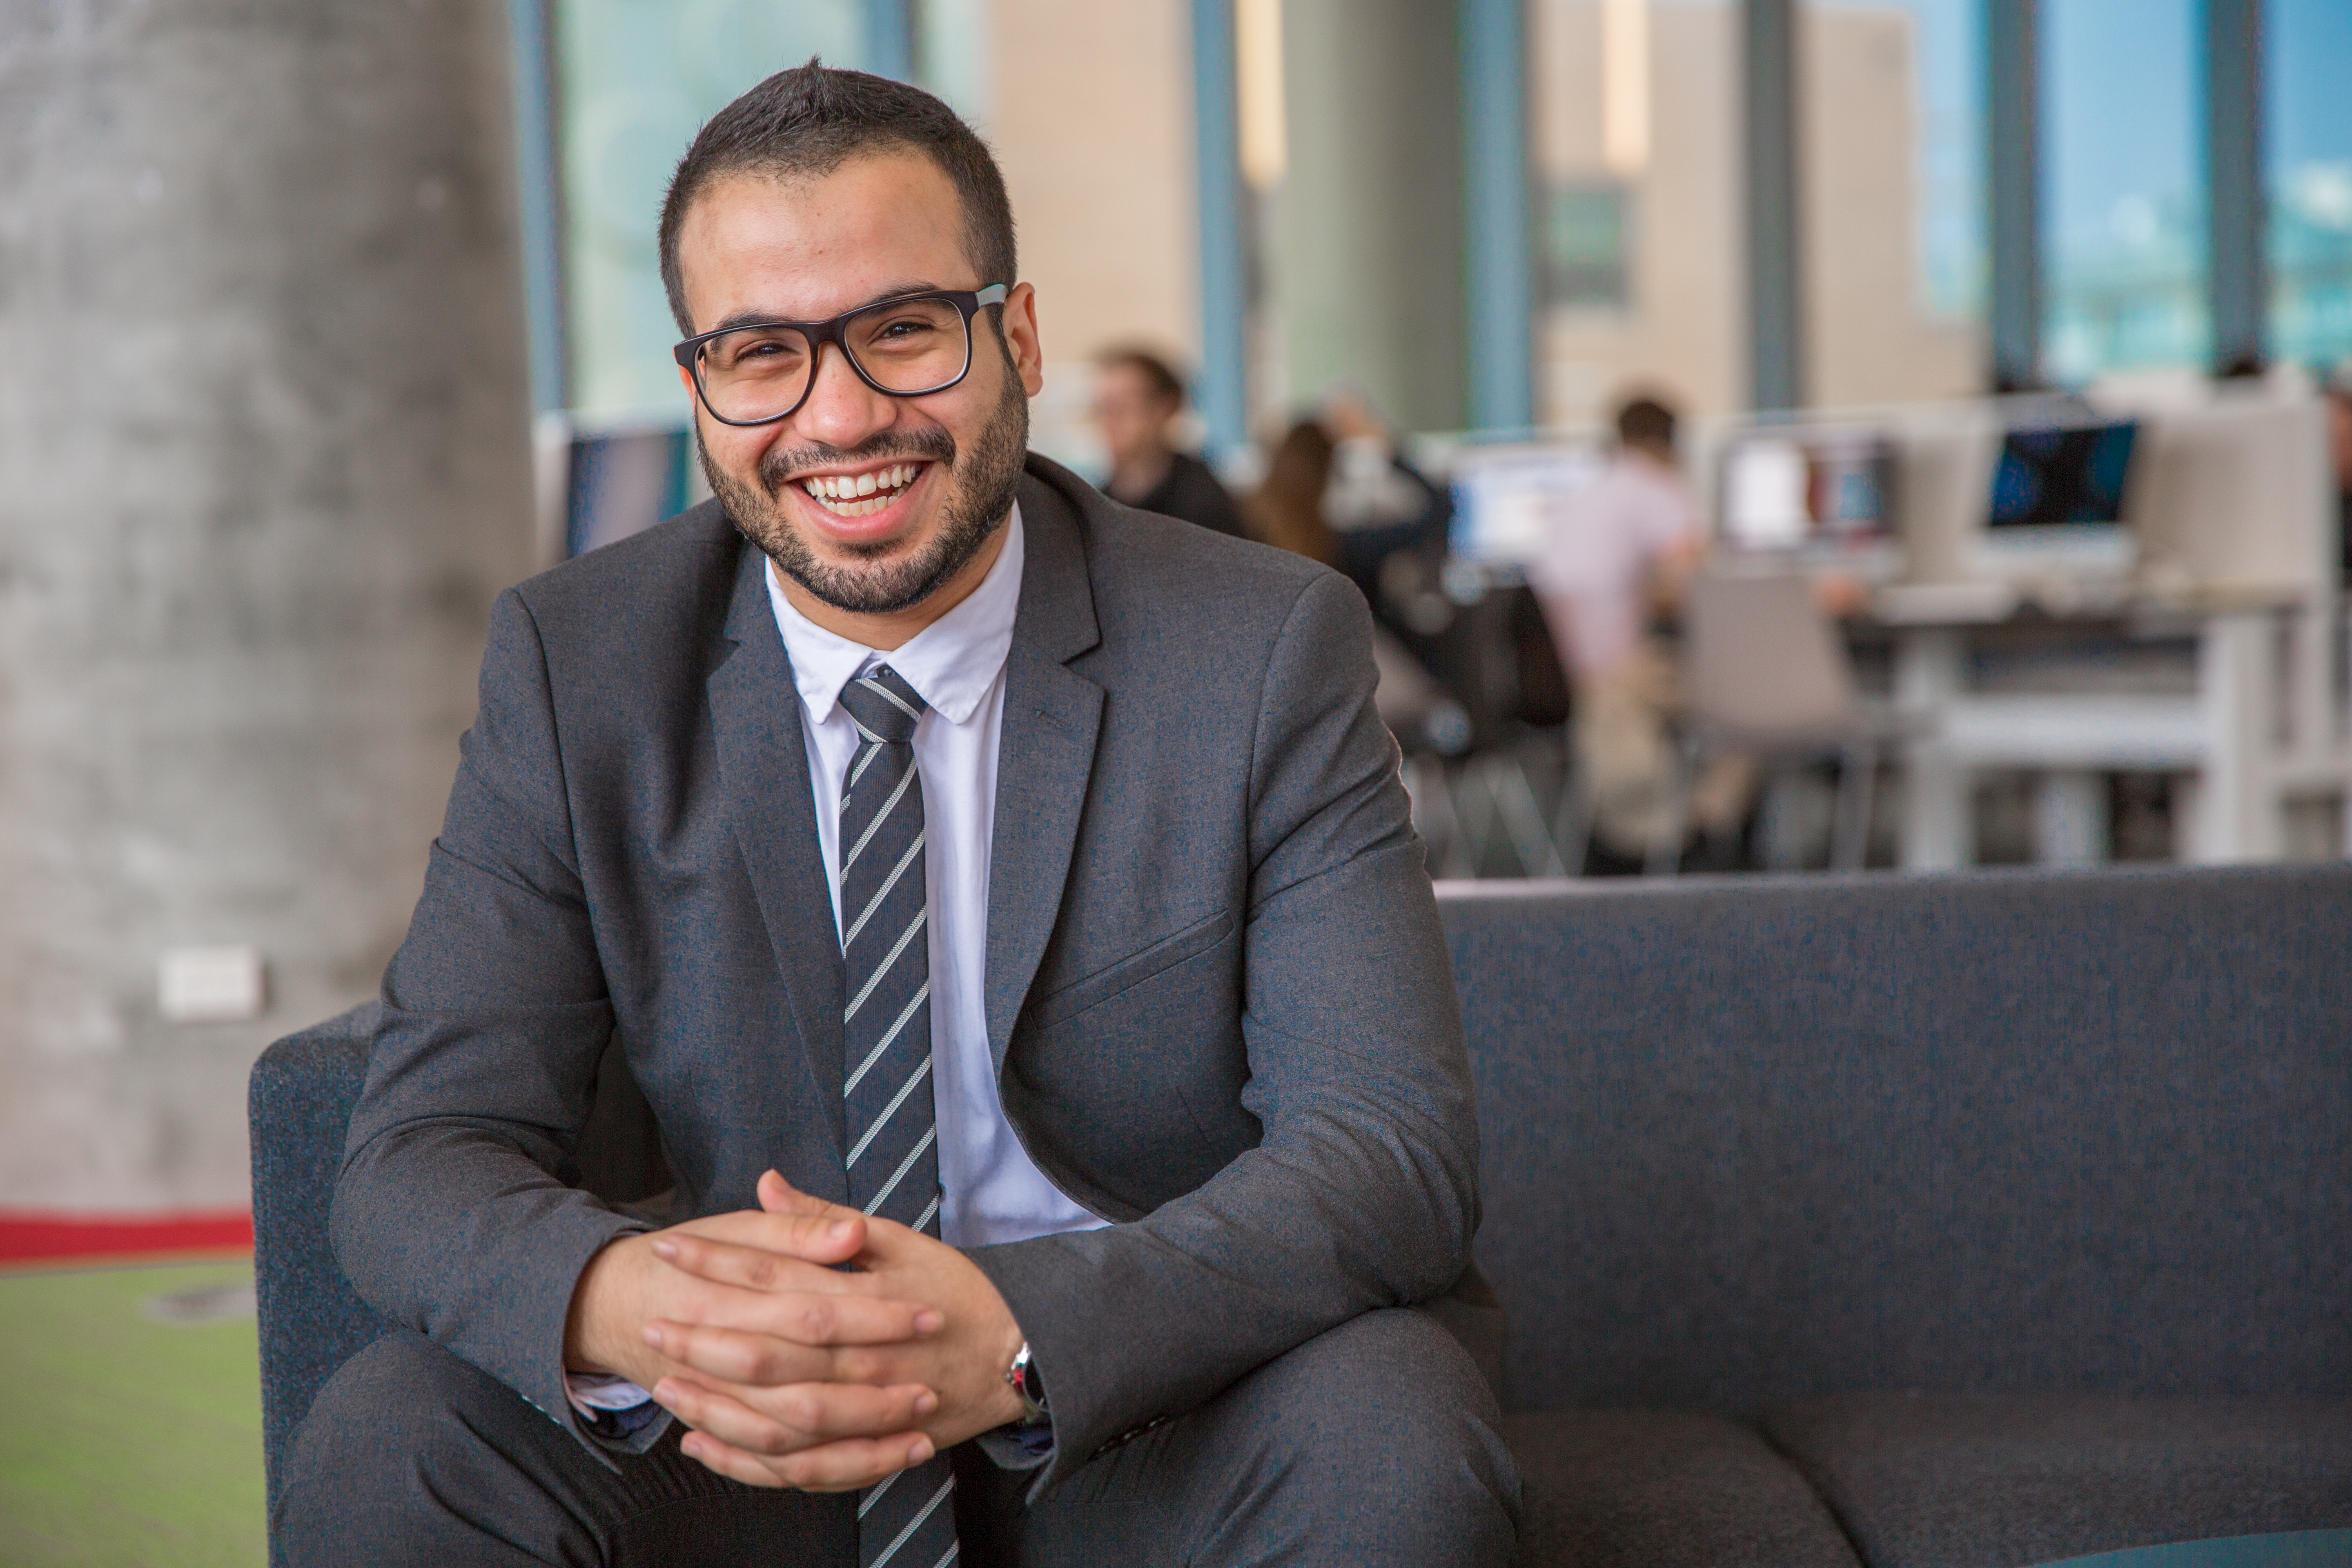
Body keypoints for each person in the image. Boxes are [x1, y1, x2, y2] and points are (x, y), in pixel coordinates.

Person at [278, 61, 1518, 1568]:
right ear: (699, 386)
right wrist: (649, 1309)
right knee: (396, 1439)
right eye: (761, 353)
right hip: (741, 1431)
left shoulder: (1257, 648)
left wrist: (1010, 1334)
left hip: (1137, 1404)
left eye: (904, 330)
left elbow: (1386, 1147)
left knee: (1388, 1434)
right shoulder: (577, 666)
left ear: (1019, 335)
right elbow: (420, 1152)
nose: (843, 414)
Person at [1528, 393, 1747, 869]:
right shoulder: (1657, 487)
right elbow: (1698, 585)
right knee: (1749, 690)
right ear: (1671, 446)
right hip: (1619, 676)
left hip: (1561, 680)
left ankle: (1688, 831)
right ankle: (1706, 828)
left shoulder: (1582, 497)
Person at [1087, 347, 1247, 537]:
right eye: (1103, 408)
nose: (1111, 420)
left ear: (1166, 408)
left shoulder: (1204, 500)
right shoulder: (1095, 503)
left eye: (1124, 405)